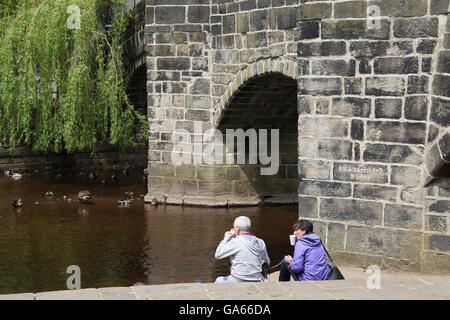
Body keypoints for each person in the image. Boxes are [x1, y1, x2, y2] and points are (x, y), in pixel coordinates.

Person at [214, 216, 270, 283]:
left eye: (234, 227)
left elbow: (218, 255)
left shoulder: (235, 241)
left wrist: (226, 238)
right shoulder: (260, 242)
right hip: (257, 279)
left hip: (238, 279)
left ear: (237, 229)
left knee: (218, 280)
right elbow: (267, 261)